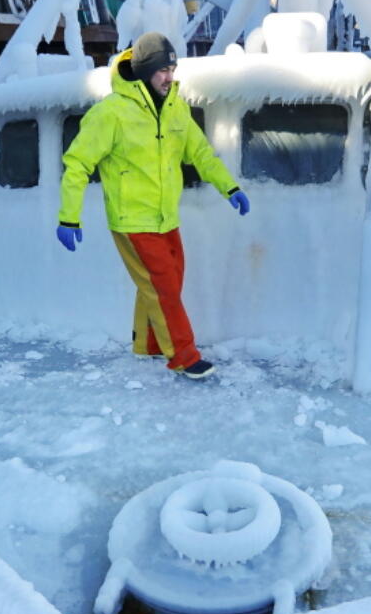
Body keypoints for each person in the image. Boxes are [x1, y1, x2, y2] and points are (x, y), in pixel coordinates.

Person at [56, 31, 250, 380]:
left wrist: (230, 187)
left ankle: (147, 343)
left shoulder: (176, 107)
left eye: (173, 69)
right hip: (132, 220)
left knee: (167, 283)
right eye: (162, 70)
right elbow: (78, 163)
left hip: (166, 217)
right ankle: (183, 356)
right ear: (145, 70)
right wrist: (69, 218)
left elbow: (200, 153)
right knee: (163, 287)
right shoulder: (111, 113)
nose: (169, 77)